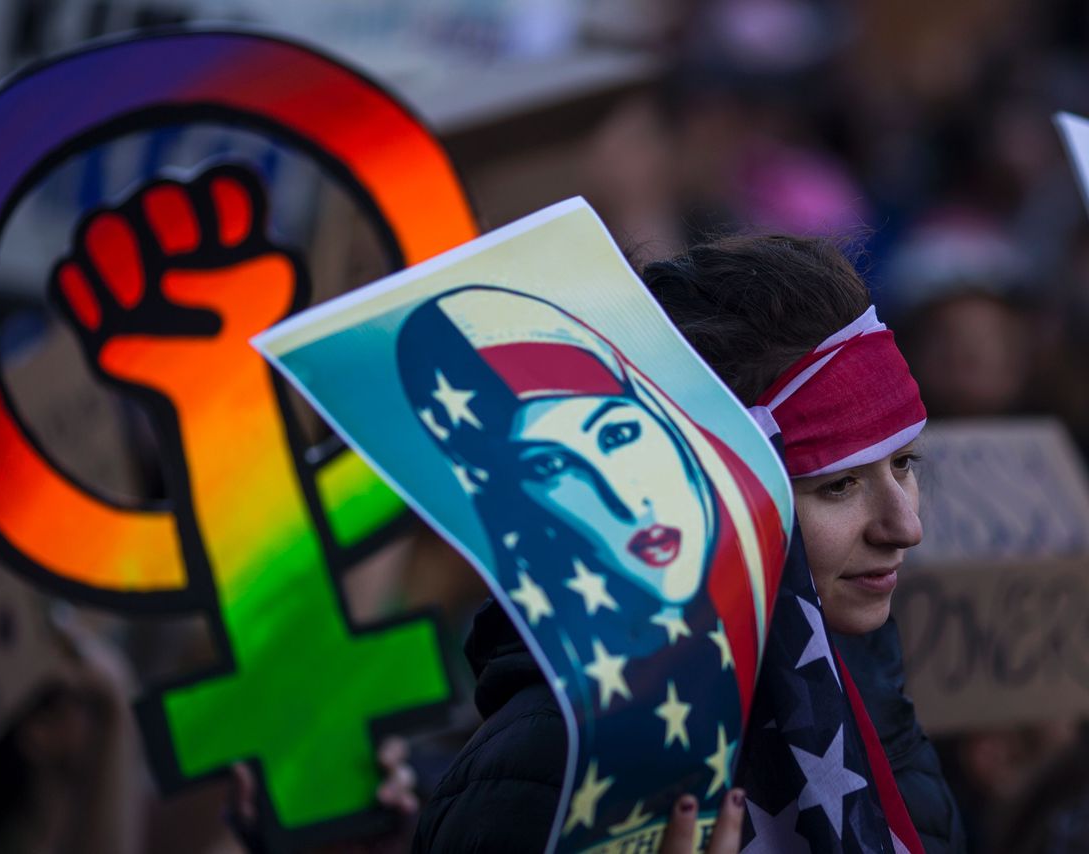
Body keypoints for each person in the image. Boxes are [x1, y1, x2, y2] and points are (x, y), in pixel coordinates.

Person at [412, 235, 965, 852]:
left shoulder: (859, 673)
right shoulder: (542, 775)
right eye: (838, 484)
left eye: (905, 463)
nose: (904, 527)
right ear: (711, 487)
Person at [397, 286, 785, 851]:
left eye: (618, 433)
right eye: (552, 465)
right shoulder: (534, 763)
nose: (625, 500)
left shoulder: (817, 685)